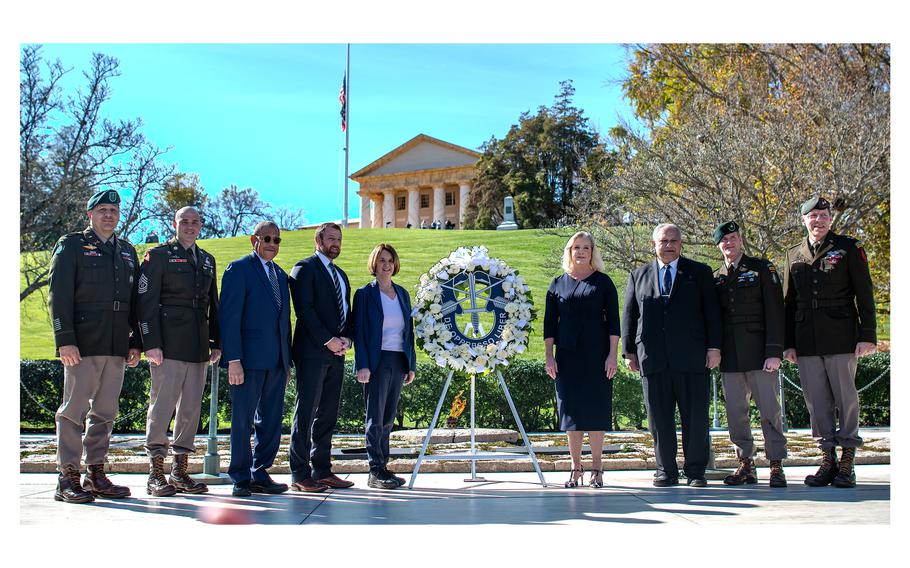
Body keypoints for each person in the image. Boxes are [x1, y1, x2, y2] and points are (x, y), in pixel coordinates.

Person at [48, 189, 140, 503]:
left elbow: (135, 303)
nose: (109, 215)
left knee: (104, 412)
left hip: (116, 343)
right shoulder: (72, 245)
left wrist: (136, 342)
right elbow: (59, 296)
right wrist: (65, 340)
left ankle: (96, 474)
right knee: (73, 411)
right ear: (90, 214)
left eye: (114, 210)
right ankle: (68, 477)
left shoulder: (127, 251)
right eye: (102, 210)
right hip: (83, 343)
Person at [781, 196, 877, 488]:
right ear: (804, 220)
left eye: (824, 216)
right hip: (806, 340)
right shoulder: (793, 254)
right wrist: (788, 343)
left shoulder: (848, 248)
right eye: (813, 216)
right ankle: (828, 458)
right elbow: (788, 303)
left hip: (841, 336)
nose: (819, 220)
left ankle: (848, 459)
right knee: (817, 401)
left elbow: (865, 293)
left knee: (846, 398)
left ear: (830, 219)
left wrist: (868, 335)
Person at [622, 223, 722, 487]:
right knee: (659, 418)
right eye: (663, 241)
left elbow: (712, 312)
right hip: (652, 358)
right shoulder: (638, 275)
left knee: (696, 417)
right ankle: (665, 469)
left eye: (673, 241)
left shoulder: (699, 272)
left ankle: (695, 471)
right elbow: (630, 316)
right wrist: (629, 351)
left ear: (681, 244)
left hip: (691, 357)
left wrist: (714, 347)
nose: (668, 245)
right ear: (653, 244)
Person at [138, 206, 221, 496]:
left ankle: (179, 472)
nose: (189, 226)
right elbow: (146, 303)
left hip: (197, 346)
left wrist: (216, 342)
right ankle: (155, 474)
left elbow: (213, 305)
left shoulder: (207, 260)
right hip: (168, 346)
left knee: (189, 411)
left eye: (195, 222)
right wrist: (151, 344)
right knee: (161, 408)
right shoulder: (158, 256)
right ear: (174, 224)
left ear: (201, 226)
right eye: (184, 221)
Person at [219, 221, 292, 497]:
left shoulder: (281, 275)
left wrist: (287, 362)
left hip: (276, 362)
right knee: (242, 420)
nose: (272, 244)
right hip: (247, 362)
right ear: (254, 240)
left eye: (277, 240)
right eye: (268, 239)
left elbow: (285, 322)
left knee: (271, 421)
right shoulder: (238, 270)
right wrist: (233, 359)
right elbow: (229, 317)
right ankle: (240, 475)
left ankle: (260, 472)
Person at [712, 221, 788, 487]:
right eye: (724, 240)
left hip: (760, 354)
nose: (729, 243)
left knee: (769, 410)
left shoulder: (761, 268)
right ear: (718, 245)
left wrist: (774, 351)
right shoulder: (717, 277)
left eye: (733, 238)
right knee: (736, 413)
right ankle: (746, 463)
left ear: (740, 240)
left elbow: (776, 311)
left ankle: (776, 464)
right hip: (731, 357)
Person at [544, 232, 620, 488]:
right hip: (566, 358)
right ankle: (576, 469)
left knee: (596, 414)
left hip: (597, 357)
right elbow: (548, 326)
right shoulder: (557, 284)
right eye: (576, 247)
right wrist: (549, 357)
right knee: (572, 416)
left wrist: (612, 355)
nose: (581, 252)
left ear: (592, 252)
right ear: (569, 251)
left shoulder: (603, 283)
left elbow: (614, 323)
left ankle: (597, 470)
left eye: (586, 247)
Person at [288, 222, 355, 492]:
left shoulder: (341, 275)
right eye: (330, 238)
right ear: (318, 240)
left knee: (328, 413)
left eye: (338, 239)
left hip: (337, 354)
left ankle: (323, 470)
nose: (335, 243)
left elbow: (346, 313)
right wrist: (328, 341)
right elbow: (305, 310)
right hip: (312, 352)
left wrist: (347, 340)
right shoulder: (304, 269)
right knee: (306, 412)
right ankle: (300, 473)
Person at [352, 244, 417, 489]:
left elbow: (408, 332)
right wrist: (362, 365)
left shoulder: (402, 293)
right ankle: (375, 470)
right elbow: (358, 332)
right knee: (375, 418)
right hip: (376, 363)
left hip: (398, 361)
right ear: (374, 264)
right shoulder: (364, 294)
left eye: (390, 260)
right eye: (382, 260)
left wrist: (410, 363)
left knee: (388, 418)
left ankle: (384, 467)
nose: (387, 264)